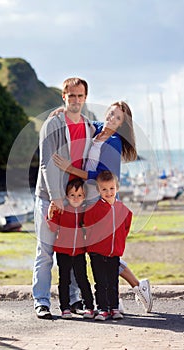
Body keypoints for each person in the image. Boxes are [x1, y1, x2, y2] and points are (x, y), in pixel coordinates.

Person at [53, 101, 153, 313]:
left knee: (102, 252)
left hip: (99, 199)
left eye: (117, 118)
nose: (112, 119)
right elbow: (85, 120)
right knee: (97, 251)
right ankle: (116, 295)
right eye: (111, 114)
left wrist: (70, 168)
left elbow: (102, 176)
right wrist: (65, 110)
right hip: (86, 198)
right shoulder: (99, 129)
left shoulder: (114, 141)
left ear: (122, 124)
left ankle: (136, 285)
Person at [32, 77, 96, 319]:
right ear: (64, 97)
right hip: (51, 197)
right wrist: (56, 198)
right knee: (45, 251)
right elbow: (46, 163)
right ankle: (41, 301)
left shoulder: (90, 127)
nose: (76, 101)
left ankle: (73, 299)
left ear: (85, 97)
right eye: (71, 96)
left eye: (80, 96)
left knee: (73, 251)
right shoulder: (52, 125)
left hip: (75, 200)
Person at [84, 170, 132, 320]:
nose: (108, 192)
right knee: (101, 283)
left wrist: (118, 245)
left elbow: (125, 228)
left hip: (114, 254)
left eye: (111, 188)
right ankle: (102, 309)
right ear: (99, 190)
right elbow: (87, 227)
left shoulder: (123, 210)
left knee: (113, 282)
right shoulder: (93, 210)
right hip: (97, 253)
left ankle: (114, 308)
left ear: (117, 188)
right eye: (104, 189)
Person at [46, 178, 95, 319]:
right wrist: (50, 214)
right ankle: (65, 308)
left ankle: (90, 307)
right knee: (64, 280)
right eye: (72, 195)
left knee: (82, 279)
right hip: (63, 252)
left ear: (84, 197)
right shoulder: (62, 210)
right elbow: (53, 227)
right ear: (67, 196)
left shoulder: (84, 211)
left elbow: (89, 228)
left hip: (79, 252)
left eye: (79, 195)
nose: (76, 198)